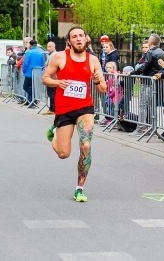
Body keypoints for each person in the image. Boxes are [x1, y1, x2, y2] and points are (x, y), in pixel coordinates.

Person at [42, 26, 107, 203]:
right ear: (69, 41)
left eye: (81, 36)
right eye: (74, 36)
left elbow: (103, 89)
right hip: (64, 110)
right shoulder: (59, 57)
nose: (78, 39)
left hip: (85, 107)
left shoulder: (93, 60)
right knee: (63, 154)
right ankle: (55, 133)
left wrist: (97, 82)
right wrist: (58, 82)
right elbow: (45, 78)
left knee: (86, 145)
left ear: (86, 39)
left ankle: (80, 188)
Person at [22, 39, 46, 107]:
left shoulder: (29, 53)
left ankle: (32, 99)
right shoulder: (40, 54)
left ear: (31, 45)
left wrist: (24, 71)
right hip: (37, 73)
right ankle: (32, 100)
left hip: (29, 73)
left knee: (25, 86)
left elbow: (25, 63)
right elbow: (42, 64)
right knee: (33, 87)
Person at [43, 41, 58, 115]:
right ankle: (53, 108)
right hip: (52, 78)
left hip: (52, 78)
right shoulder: (52, 55)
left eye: (50, 47)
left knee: (51, 94)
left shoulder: (53, 55)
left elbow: (50, 67)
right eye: (47, 46)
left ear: (54, 47)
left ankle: (52, 109)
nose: (48, 48)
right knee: (52, 94)